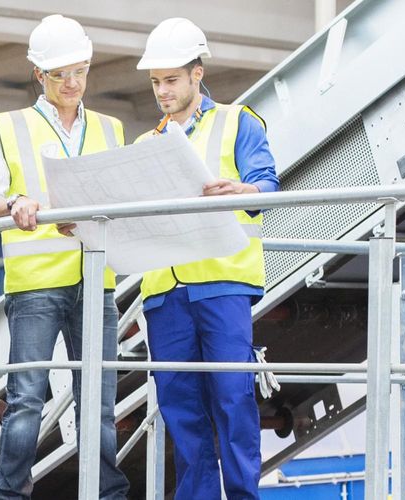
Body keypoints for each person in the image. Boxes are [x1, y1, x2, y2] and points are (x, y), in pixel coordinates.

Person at [0, 14, 130, 500]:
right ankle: (9, 493)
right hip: (35, 283)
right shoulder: (10, 127)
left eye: (80, 71)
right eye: (61, 75)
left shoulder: (110, 128)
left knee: (98, 399)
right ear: (39, 75)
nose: (73, 83)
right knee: (27, 398)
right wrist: (15, 203)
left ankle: (107, 493)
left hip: (97, 280)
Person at [132, 17, 280, 500]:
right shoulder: (144, 145)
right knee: (180, 408)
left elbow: (268, 190)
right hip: (164, 294)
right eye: (156, 82)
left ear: (198, 73)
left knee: (233, 400)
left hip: (222, 285)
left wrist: (242, 189)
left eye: (171, 80)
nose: (162, 91)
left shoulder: (239, 121)